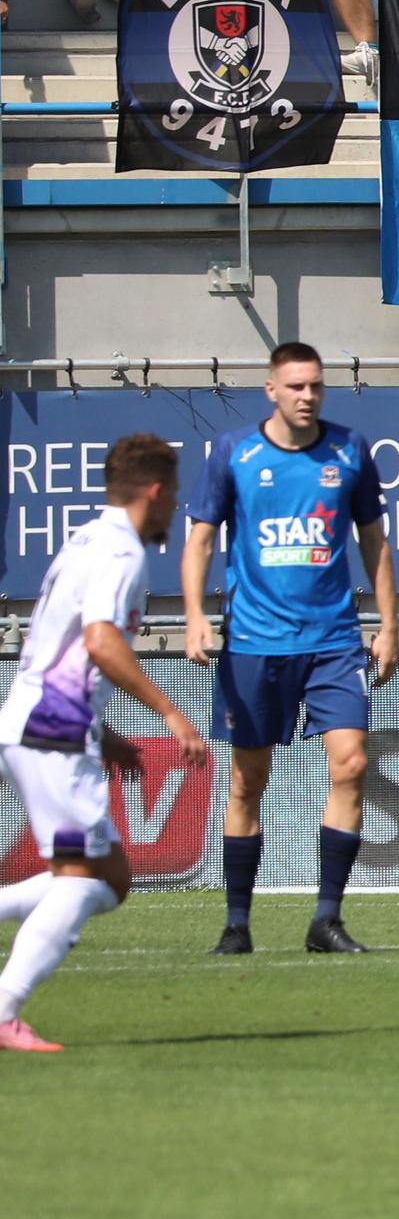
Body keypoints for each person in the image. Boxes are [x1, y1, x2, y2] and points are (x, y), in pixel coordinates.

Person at [178, 343, 399, 957]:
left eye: (316, 386)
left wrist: (389, 625)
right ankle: (236, 923)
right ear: (271, 390)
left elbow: (375, 542)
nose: (307, 396)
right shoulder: (234, 453)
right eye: (296, 386)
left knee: (351, 765)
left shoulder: (349, 450)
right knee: (249, 782)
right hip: (253, 641)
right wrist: (196, 617)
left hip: (332, 640)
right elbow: (198, 542)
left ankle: (326, 920)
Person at [0, 433, 207, 1054]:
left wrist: (108, 735)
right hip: (52, 736)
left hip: (42, 726)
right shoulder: (120, 552)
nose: (173, 508)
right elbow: (98, 642)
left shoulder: (84, 539)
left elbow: (61, 651)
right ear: (154, 492)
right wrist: (171, 713)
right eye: (172, 496)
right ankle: (4, 1009)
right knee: (87, 878)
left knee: (104, 875)